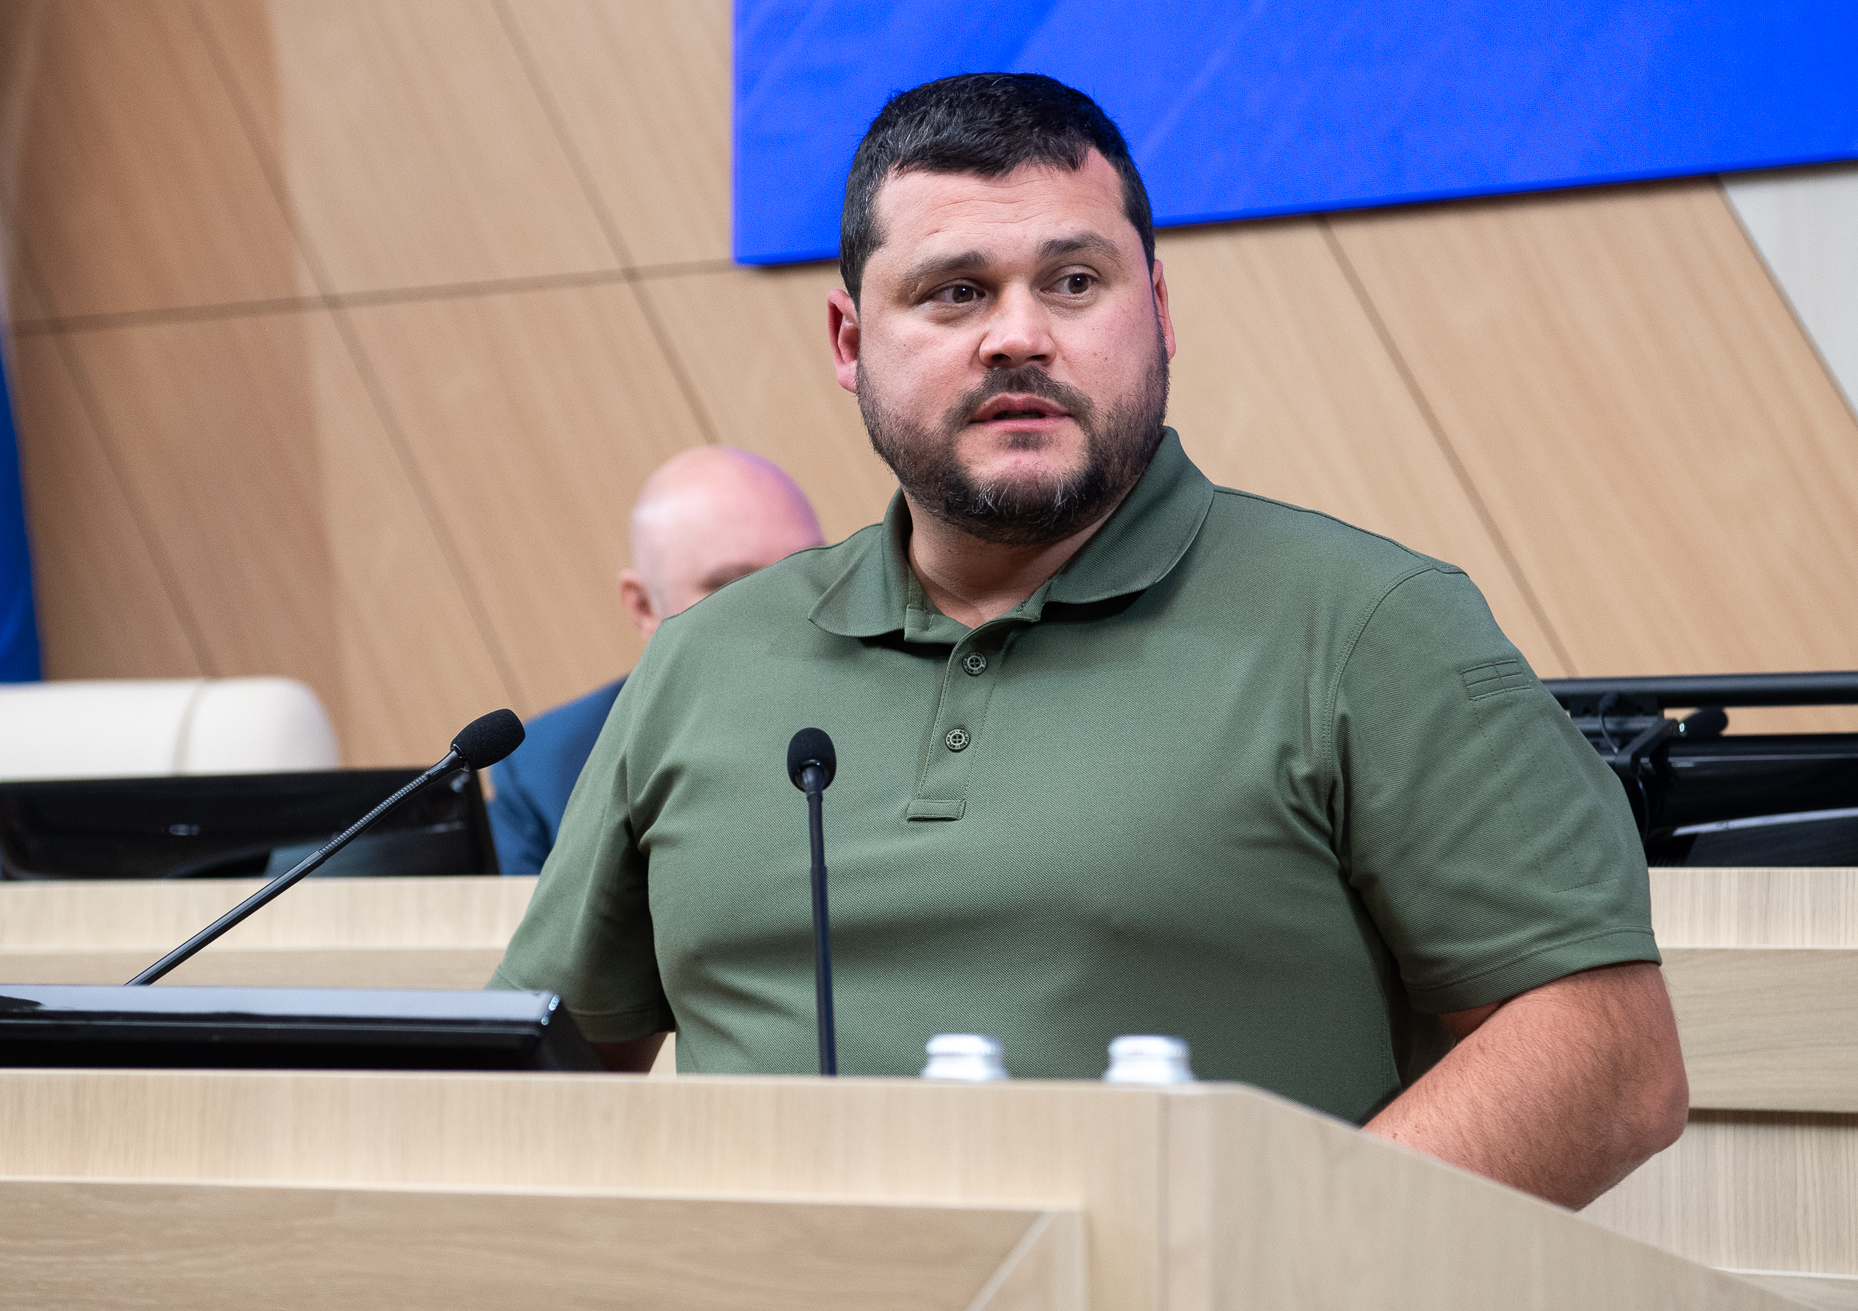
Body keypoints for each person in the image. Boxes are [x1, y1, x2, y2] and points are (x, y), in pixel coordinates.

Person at [491, 74, 1687, 1209]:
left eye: (1071, 282)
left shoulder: (1369, 623)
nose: (1016, 336)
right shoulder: (703, 659)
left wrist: (1259, 1263)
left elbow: (1607, 1060)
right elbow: (533, 1079)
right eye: (953, 292)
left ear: (1156, 311)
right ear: (849, 340)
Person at [486, 447, 824, 874]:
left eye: (807, 570)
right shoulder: (550, 768)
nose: (783, 608)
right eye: (734, 584)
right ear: (644, 606)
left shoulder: (893, 705)